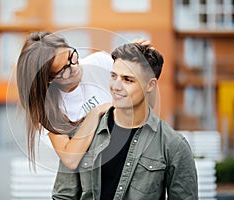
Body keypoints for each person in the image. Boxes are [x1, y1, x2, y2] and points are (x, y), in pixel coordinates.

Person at [52, 42, 198, 199]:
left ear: (150, 85)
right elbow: (63, 197)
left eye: (128, 80)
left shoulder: (173, 146)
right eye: (113, 76)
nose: (116, 86)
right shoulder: (83, 134)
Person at [16, 31, 152, 170]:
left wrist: (138, 62)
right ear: (49, 80)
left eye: (71, 56)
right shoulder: (50, 107)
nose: (74, 67)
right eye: (64, 70)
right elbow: (70, 159)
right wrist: (94, 114)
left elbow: (141, 96)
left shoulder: (100, 62)